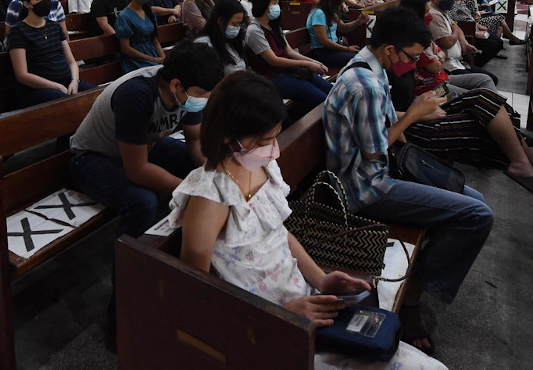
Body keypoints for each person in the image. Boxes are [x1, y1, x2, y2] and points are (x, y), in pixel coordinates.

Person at [172, 71, 446, 370]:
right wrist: (279, 315)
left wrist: (320, 278)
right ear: (227, 135)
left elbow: (278, 232)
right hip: (261, 327)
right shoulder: (210, 197)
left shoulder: (261, 166)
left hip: (301, 303)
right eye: (264, 140)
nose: (272, 149)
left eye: (275, 136)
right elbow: (198, 294)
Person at [323, 6, 494, 352]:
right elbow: (374, 150)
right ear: (390, 49)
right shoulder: (366, 84)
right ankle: (413, 296)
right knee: (477, 216)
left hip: (380, 171)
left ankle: (422, 281)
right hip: (365, 187)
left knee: (476, 202)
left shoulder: (369, 64)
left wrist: (420, 113)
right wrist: (414, 114)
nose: (414, 63)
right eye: (412, 56)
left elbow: (381, 120)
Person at [68, 42, 225, 327]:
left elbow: (195, 143)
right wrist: (193, 192)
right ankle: (121, 314)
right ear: (177, 84)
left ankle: (193, 260)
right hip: (91, 158)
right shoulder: (137, 94)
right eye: (203, 94)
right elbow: (138, 170)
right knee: (142, 202)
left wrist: (212, 174)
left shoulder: (186, 92)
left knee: (199, 170)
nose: (205, 99)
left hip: (139, 148)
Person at [7, 0, 94, 107]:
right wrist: (56, 86)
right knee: (73, 105)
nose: (46, 2)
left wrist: (75, 81)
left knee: (100, 97)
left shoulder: (54, 26)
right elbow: (22, 75)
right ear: (27, 4)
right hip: (36, 89)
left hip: (66, 81)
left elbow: (71, 61)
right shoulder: (18, 31)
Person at [245, 0, 331, 108]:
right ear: (263, 4)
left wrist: (313, 62)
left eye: (278, 3)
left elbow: (289, 51)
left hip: (286, 71)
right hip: (271, 77)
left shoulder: (273, 25)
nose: (277, 7)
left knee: (331, 90)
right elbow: (273, 60)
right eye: (274, 3)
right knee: (322, 100)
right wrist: (306, 64)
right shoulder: (254, 30)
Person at [306, 0, 369, 68]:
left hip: (333, 49)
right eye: (339, 3)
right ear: (332, 1)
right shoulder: (319, 13)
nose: (340, 6)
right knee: (358, 60)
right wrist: (347, 49)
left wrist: (358, 21)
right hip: (322, 52)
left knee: (364, 56)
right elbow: (324, 41)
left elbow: (343, 27)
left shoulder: (331, 11)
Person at [115, 0, 164, 73]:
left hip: (151, 53)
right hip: (136, 59)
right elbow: (126, 48)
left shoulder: (149, 12)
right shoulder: (124, 17)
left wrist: (163, 57)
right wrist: (152, 59)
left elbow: (155, 40)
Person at [194, 0, 247, 75]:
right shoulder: (204, 45)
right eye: (234, 24)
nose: (237, 28)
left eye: (240, 24)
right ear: (220, 21)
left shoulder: (231, 41)